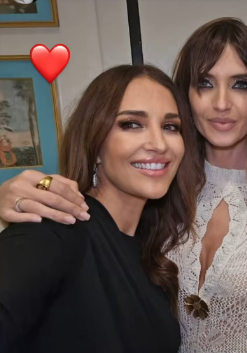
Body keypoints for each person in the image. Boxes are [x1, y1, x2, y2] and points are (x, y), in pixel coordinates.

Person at [0, 18, 247, 353]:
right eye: (205, 84)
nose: (222, 103)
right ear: (188, 98)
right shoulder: (158, 194)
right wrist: (17, 199)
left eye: (241, 84)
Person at [0, 64, 203, 353]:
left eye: (170, 126)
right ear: (95, 145)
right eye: (131, 124)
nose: (159, 144)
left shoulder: (148, 245)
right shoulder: (59, 227)